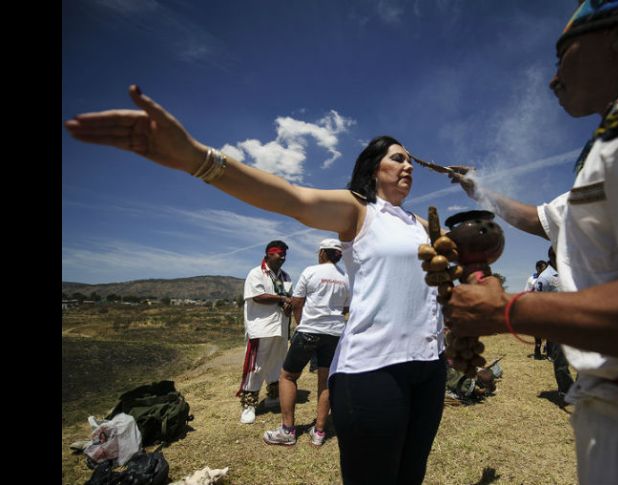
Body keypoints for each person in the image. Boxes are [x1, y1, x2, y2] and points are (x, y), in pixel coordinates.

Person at [66, 96, 446, 483]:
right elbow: (291, 197)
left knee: (412, 473)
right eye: (398, 158)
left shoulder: (423, 224)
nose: (409, 166)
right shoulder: (360, 209)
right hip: (374, 371)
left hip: (430, 367)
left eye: (411, 161)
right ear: (373, 168)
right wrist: (196, 158)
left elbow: (467, 260)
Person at [444, 1, 618, 484]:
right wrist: (477, 190)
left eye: (562, 56)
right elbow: (545, 220)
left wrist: (508, 312)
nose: (552, 78)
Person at [264, 238, 350, 447]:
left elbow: (297, 303)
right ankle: (319, 431)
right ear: (338, 255)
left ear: (322, 253)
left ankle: (287, 430)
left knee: (288, 376)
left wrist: (302, 325)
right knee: (325, 381)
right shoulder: (346, 278)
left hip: (309, 331)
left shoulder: (310, 272)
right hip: (334, 334)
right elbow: (345, 309)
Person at [237, 240, 293, 424]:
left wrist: (288, 307)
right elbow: (258, 296)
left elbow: (288, 300)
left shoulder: (285, 277)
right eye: (279, 253)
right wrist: (282, 298)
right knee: (257, 365)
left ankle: (273, 396)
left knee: (277, 363)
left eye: (285, 253)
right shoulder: (256, 273)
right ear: (269, 253)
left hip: (280, 327)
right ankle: (249, 404)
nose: (283, 256)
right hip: (261, 327)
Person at [534, 247, 574, 406]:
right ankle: (566, 390)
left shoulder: (570, 271)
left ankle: (581, 388)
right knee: (561, 360)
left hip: (576, 321)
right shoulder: (545, 277)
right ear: (552, 256)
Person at [524, 260, 548, 359]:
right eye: (544, 268)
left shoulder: (549, 278)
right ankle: (537, 350)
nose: (546, 270)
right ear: (538, 268)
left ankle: (549, 350)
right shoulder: (531, 279)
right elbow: (526, 293)